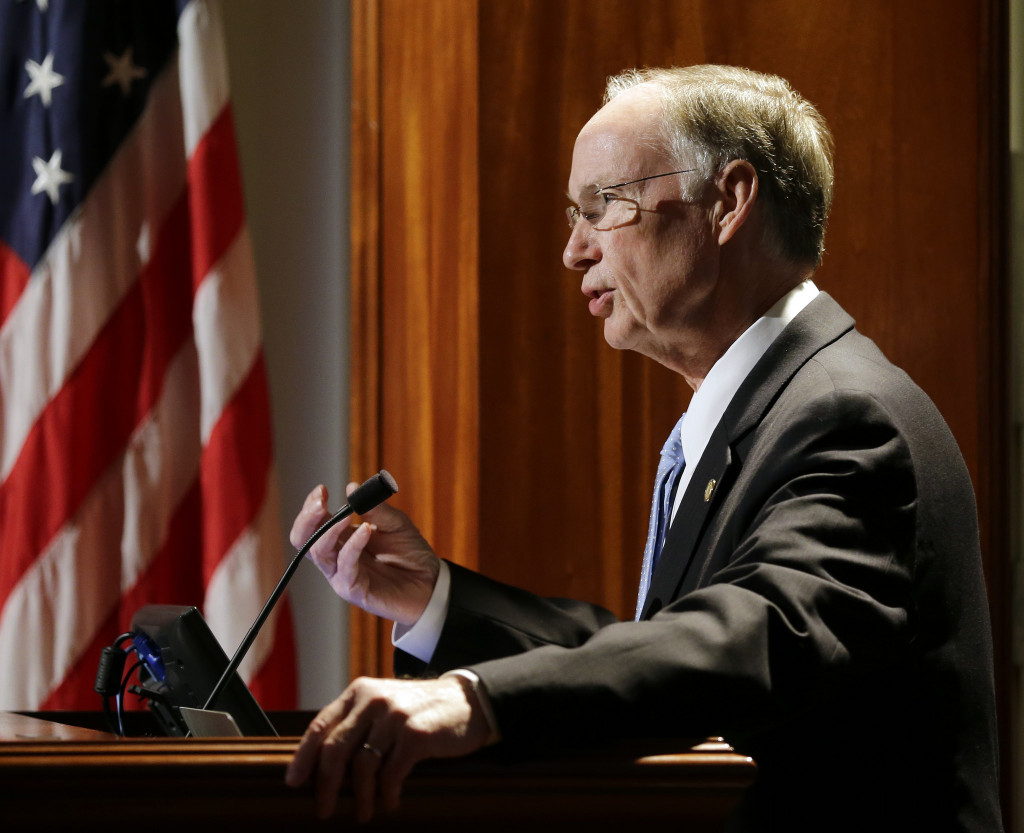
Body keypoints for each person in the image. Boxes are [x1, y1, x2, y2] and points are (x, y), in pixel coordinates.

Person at [284, 65, 1003, 831]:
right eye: (574, 212)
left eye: (604, 205)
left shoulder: (847, 413)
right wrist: (438, 601)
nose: (574, 250)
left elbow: (753, 636)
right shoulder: (762, 412)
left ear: (727, 202)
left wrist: (475, 700)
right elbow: (660, 652)